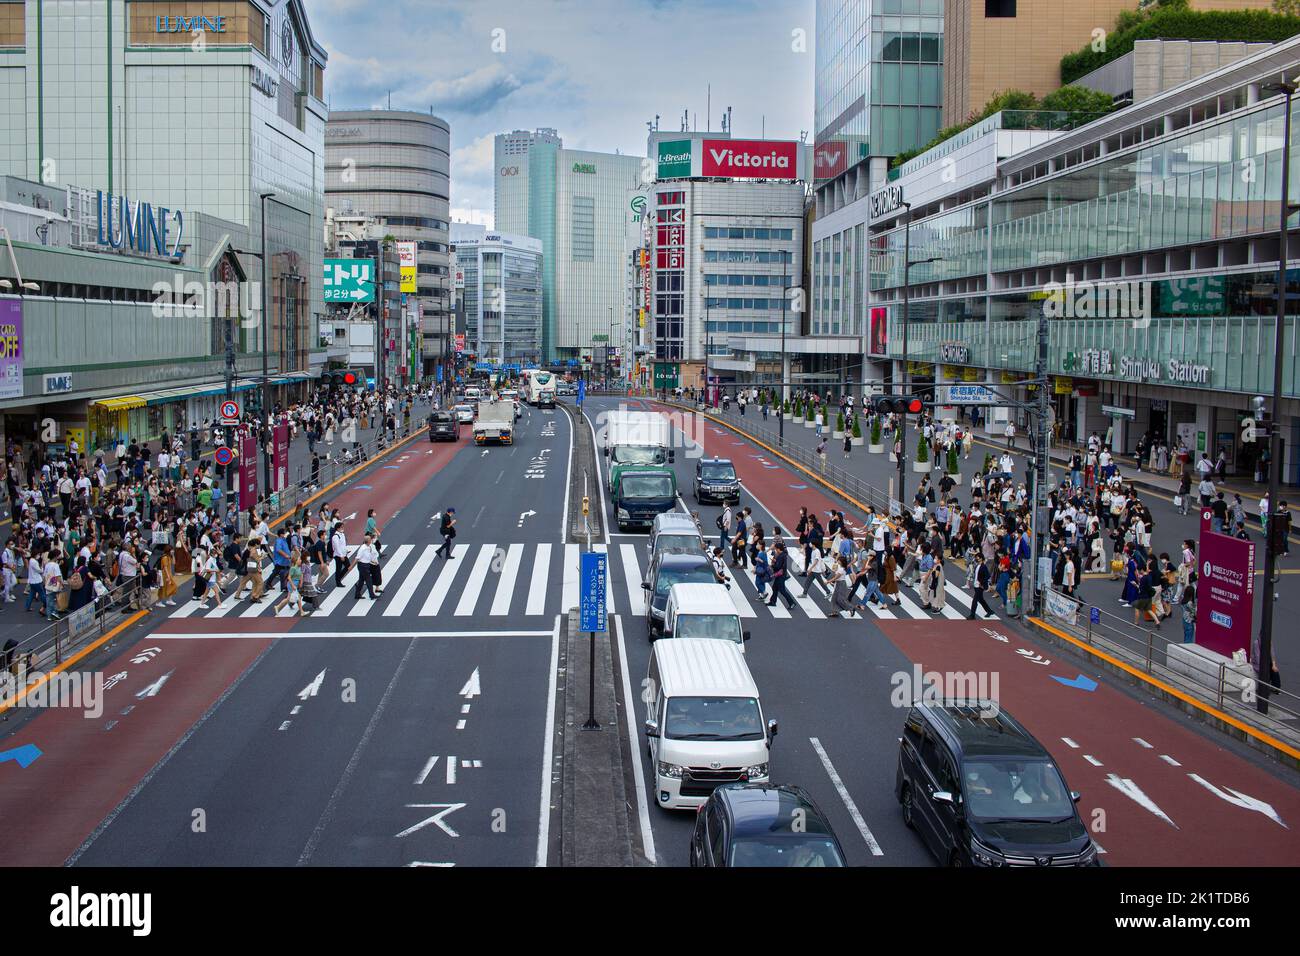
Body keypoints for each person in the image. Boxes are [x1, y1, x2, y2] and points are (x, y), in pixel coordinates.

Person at [765, 541, 796, 610]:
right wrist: (775, 562)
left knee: (782, 590)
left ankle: (792, 603)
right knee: (775, 588)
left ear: (779, 549)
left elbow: (778, 566)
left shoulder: (781, 556)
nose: (776, 550)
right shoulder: (783, 555)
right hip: (781, 574)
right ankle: (773, 601)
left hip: (781, 575)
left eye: (776, 549)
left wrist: (773, 564)